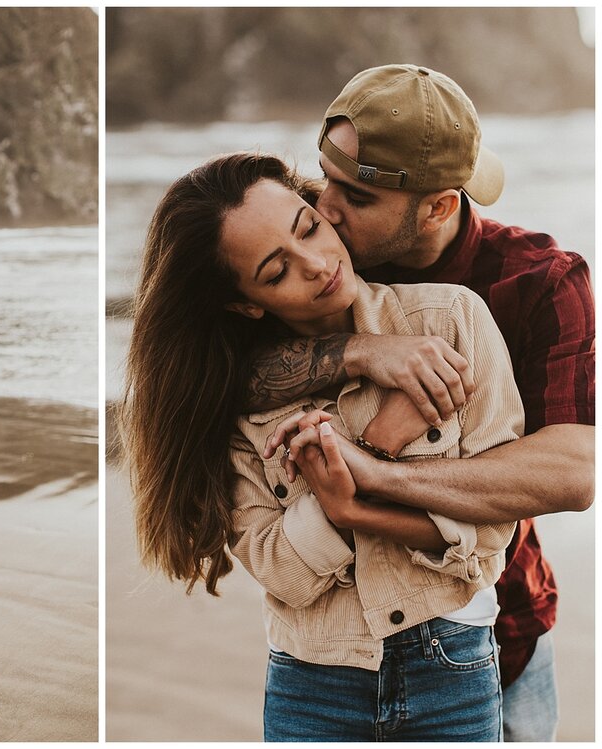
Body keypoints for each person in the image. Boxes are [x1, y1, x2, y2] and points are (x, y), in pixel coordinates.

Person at [124, 151, 523, 740]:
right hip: (312, 685)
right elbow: (280, 571)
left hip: (453, 668)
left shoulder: (450, 320)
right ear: (245, 303)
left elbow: (491, 538)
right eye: (275, 271)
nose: (316, 264)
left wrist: (353, 502)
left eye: (308, 226)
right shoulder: (233, 396)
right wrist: (363, 470)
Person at [247, 64, 594, 741]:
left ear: (437, 206)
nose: (325, 210)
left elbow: (571, 471)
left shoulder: (540, 282)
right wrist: (358, 352)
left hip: (499, 627)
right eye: (324, 178)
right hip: (332, 653)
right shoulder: (319, 256)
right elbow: (214, 370)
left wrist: (374, 471)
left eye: (355, 195)